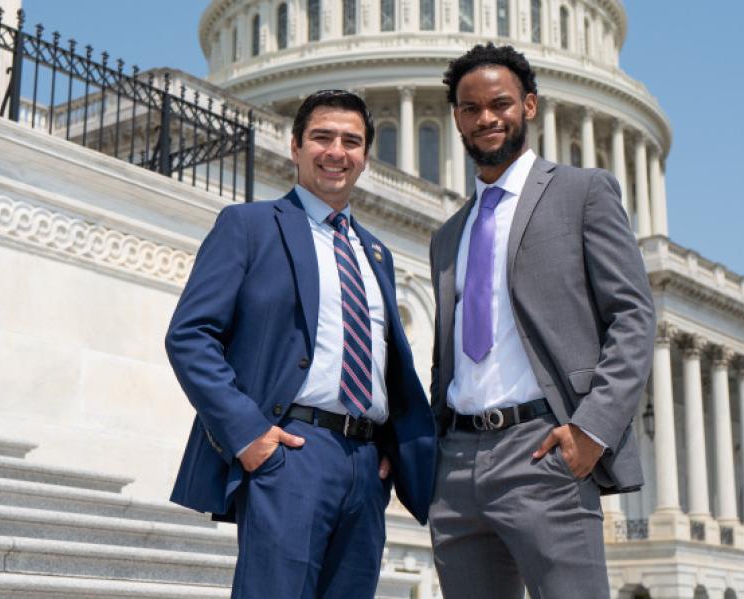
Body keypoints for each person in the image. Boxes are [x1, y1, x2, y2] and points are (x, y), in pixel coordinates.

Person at [165, 89, 436, 599]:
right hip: (291, 452)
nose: (337, 151)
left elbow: (383, 363)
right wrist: (249, 436)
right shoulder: (248, 226)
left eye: (351, 141)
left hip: (365, 465)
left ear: (365, 158)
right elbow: (189, 336)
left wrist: (387, 450)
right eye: (322, 137)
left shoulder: (375, 252)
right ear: (295, 147)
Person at [428, 44, 655, 599]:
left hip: (543, 451)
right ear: (457, 118)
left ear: (528, 106)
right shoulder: (448, 235)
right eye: (470, 107)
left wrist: (591, 430)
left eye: (500, 103)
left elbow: (632, 317)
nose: (486, 118)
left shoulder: (582, 193)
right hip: (456, 464)